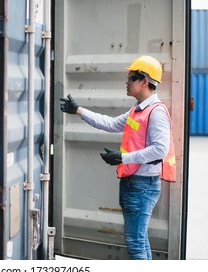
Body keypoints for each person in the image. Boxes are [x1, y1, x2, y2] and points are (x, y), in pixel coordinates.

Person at [60, 55, 176, 260]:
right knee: (139, 240)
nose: (126, 82)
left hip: (142, 185)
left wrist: (124, 157)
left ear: (144, 81)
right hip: (135, 183)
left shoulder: (155, 112)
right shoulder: (137, 110)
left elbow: (160, 149)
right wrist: (78, 110)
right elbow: (111, 123)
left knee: (135, 242)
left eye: (131, 78)